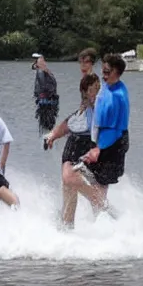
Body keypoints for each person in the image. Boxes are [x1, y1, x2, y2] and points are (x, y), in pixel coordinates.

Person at [44, 73, 102, 228]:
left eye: (97, 89)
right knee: (69, 182)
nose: (95, 92)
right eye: (92, 90)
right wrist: (53, 136)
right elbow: (68, 124)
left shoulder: (101, 107)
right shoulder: (81, 110)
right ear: (84, 91)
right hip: (73, 149)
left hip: (90, 150)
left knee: (70, 184)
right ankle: (68, 228)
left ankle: (100, 208)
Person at [79, 53, 130, 209]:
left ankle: (106, 216)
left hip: (113, 141)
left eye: (107, 72)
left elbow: (113, 131)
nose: (104, 74)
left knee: (100, 184)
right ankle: (103, 211)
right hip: (102, 140)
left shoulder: (117, 96)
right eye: (103, 71)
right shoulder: (108, 85)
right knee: (88, 178)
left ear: (117, 72)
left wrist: (98, 149)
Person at [32, 53, 59, 135]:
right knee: (49, 125)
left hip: (45, 103)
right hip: (51, 103)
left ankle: (47, 139)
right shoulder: (48, 73)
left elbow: (43, 86)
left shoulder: (41, 72)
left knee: (45, 127)